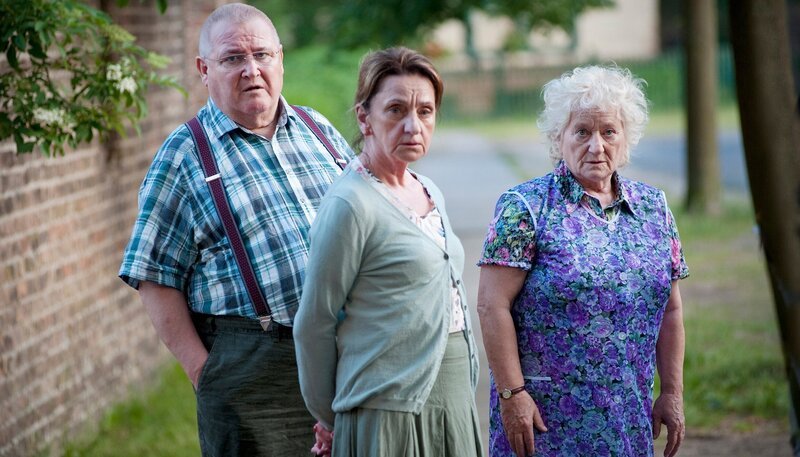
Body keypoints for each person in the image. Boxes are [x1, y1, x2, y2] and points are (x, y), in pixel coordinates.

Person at [118, 3, 353, 456]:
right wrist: (206, 374)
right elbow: (152, 276)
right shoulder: (184, 156)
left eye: (262, 55)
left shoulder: (318, 130)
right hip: (254, 374)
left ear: (280, 59)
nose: (251, 70)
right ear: (204, 70)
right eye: (233, 59)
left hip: (347, 359)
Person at [477, 65, 688, 457]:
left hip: (629, 413)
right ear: (559, 138)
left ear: (626, 138)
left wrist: (672, 391)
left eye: (609, 131)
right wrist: (512, 393)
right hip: (546, 419)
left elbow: (670, 309)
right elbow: (492, 305)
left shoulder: (654, 208)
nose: (596, 146)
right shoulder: (525, 207)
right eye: (582, 132)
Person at [293, 47, 484, 457]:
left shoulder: (428, 188)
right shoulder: (350, 203)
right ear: (365, 118)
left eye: (426, 111)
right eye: (396, 110)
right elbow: (314, 323)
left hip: (450, 398)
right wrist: (333, 417)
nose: (413, 125)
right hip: (385, 409)